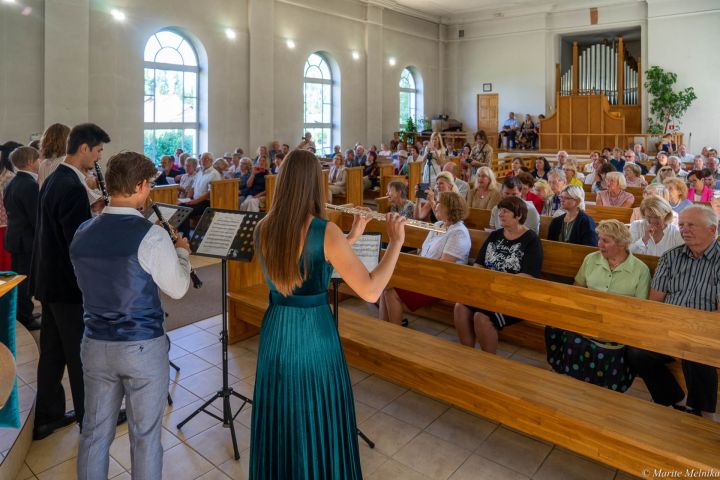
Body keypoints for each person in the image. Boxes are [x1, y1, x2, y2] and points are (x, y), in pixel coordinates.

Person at [250, 149, 405, 478]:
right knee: (315, 410)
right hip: (312, 333)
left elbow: (300, 266)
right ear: (314, 185)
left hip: (277, 328)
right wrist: (395, 242)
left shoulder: (263, 227)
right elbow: (371, 291)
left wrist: (349, 239)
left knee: (283, 412)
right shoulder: (325, 231)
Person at [72, 152, 191, 479]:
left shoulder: (82, 231)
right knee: (145, 437)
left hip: (95, 344)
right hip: (142, 346)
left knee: (94, 435)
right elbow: (178, 288)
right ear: (139, 186)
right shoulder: (150, 235)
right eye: (149, 185)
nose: (150, 191)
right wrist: (181, 252)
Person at [31, 123, 116, 440]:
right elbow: (78, 246)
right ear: (84, 148)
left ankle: (47, 416)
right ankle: (90, 418)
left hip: (49, 282)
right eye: (97, 151)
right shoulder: (70, 186)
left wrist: (90, 210)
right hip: (68, 287)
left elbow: (60, 229)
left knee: (52, 353)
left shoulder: (56, 178)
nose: (98, 158)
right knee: (82, 354)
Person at [627, 206, 719, 418]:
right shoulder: (671, 257)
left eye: (691, 225)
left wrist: (690, 330)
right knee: (637, 351)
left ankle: (702, 413)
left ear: (712, 229)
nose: (684, 230)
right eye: (681, 225)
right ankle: (675, 399)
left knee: (695, 352)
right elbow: (655, 302)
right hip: (669, 326)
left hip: (706, 330)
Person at [547, 219, 649, 391]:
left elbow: (639, 310)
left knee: (605, 346)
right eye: (599, 239)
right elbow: (577, 290)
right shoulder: (591, 259)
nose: (599, 244)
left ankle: (602, 389)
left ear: (622, 244)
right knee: (554, 326)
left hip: (618, 322)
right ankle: (569, 378)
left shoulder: (640, 270)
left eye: (606, 241)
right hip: (589, 315)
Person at [454, 196, 542, 353]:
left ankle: (489, 361)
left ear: (519, 215)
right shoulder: (495, 235)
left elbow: (528, 276)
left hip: (514, 295)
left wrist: (497, 285)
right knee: (460, 307)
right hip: (487, 290)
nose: (500, 214)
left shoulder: (531, 239)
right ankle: (466, 354)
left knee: (481, 317)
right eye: (500, 210)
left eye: (505, 211)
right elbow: (478, 264)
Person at [380, 192, 470, 325]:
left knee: (391, 292)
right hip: (424, 273)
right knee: (385, 283)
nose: (436, 206)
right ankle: (384, 328)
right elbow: (423, 252)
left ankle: (394, 333)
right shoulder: (438, 225)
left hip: (440, 281)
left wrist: (414, 275)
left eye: (439, 203)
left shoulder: (459, 232)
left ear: (450, 208)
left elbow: (443, 267)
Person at [4, 146, 41, 330]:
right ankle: (25, 317)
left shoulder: (12, 182)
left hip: (15, 237)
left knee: (20, 276)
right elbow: (35, 216)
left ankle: (23, 312)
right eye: (38, 159)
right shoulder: (29, 185)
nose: (40, 163)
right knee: (25, 279)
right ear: (29, 162)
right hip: (26, 239)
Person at [0, 142, 19, 271]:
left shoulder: (5, 175)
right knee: (6, 268)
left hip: (4, 224)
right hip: (6, 225)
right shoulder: (11, 177)